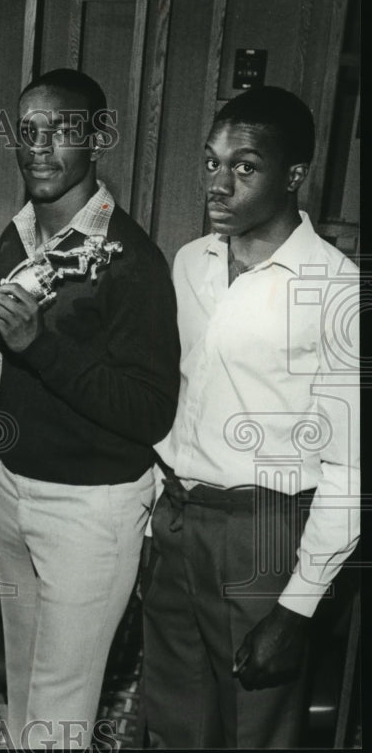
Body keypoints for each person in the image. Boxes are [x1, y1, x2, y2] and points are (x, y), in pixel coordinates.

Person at [143, 86, 360, 748]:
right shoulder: (191, 263)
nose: (219, 181)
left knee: (255, 732)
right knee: (173, 722)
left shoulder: (336, 290)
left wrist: (296, 608)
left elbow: (350, 469)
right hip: (180, 522)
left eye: (244, 167)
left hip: (265, 536)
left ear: (294, 176)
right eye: (212, 163)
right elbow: (180, 400)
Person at [0, 68, 180, 750]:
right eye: (28, 131)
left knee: (61, 713)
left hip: (91, 512)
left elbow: (151, 411)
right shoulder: (14, 239)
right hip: (13, 491)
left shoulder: (133, 262)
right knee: (23, 688)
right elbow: (11, 374)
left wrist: (40, 346)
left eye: (61, 131)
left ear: (96, 140)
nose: (40, 147)